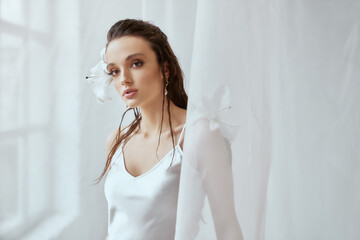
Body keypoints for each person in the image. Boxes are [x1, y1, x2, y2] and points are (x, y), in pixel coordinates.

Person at [92, 19, 187, 240]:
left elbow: (226, 226)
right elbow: (116, 225)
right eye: (114, 71)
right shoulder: (116, 140)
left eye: (135, 63)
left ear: (165, 68)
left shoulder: (192, 135)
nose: (124, 79)